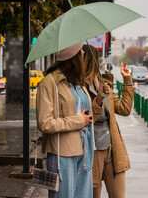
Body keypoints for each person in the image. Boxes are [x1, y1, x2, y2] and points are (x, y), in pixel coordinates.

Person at [36, 43, 111, 198]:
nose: (84, 54)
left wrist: (99, 98)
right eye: (81, 51)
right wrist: (78, 120)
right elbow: (45, 123)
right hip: (62, 154)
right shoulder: (49, 83)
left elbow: (88, 117)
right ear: (73, 56)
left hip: (85, 151)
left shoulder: (78, 82)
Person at [83, 44, 135, 198]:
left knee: (119, 195)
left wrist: (127, 80)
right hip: (92, 150)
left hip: (112, 148)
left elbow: (124, 109)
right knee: (94, 194)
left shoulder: (104, 84)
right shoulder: (79, 87)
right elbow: (87, 116)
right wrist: (98, 99)